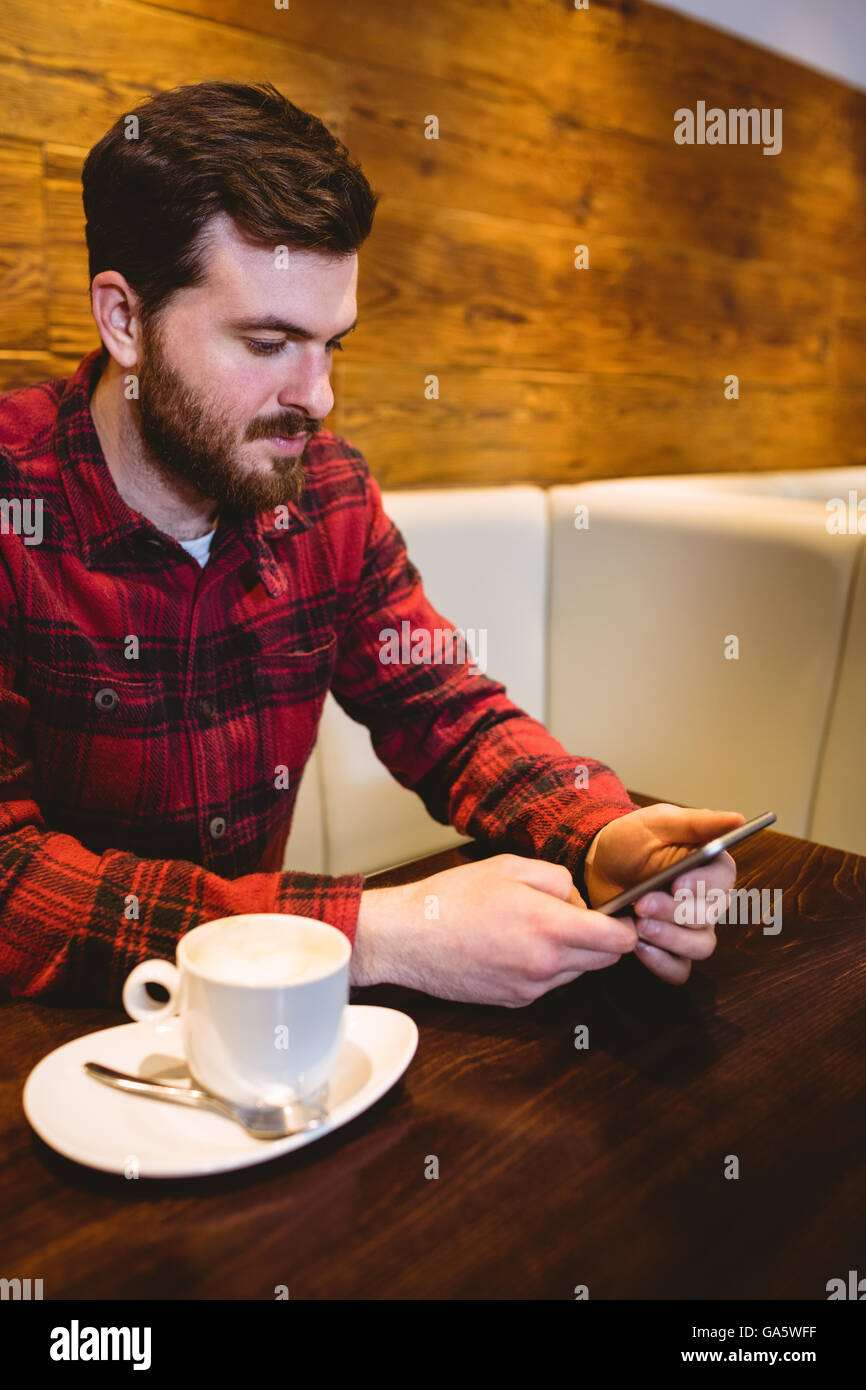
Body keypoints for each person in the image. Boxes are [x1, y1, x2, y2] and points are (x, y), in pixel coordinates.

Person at [0, 81, 744, 1009]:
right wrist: (376, 933)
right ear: (124, 320)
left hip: (268, 1052)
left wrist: (600, 834)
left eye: (331, 346)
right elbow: (9, 884)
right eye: (269, 342)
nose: (317, 397)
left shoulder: (330, 496)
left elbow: (446, 713)